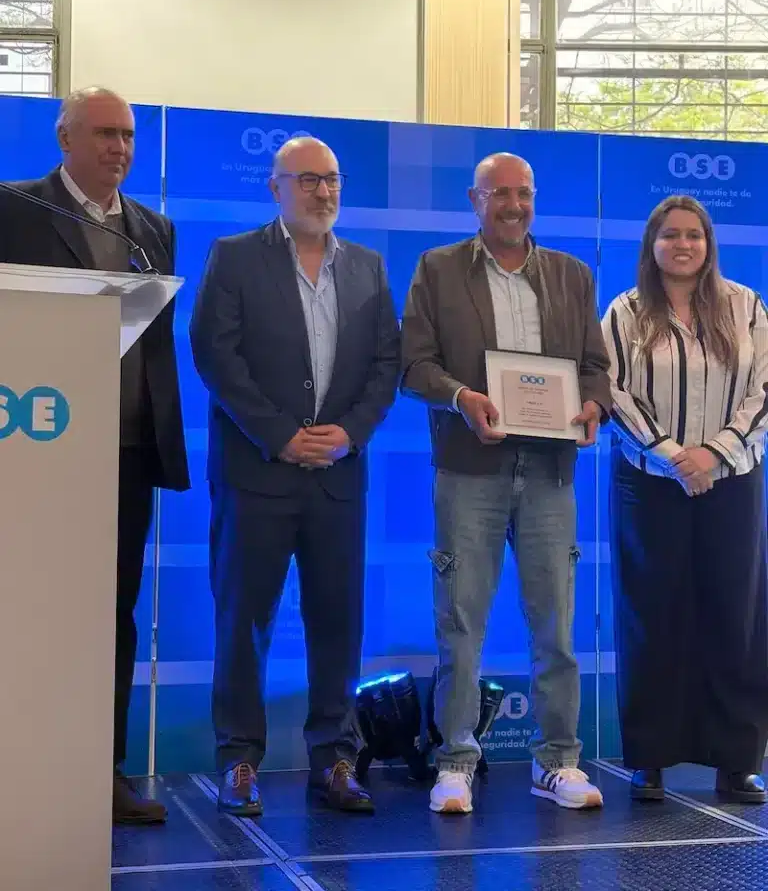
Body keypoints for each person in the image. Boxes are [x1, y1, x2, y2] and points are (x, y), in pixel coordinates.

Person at [189, 136, 400, 816]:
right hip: (257, 471)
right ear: (275, 187)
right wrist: (280, 435)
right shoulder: (234, 257)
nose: (323, 192)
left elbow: (385, 365)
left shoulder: (367, 267)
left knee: (337, 622)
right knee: (243, 621)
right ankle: (240, 761)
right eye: (307, 180)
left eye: (332, 179)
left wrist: (350, 433)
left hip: (339, 475)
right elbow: (215, 355)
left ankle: (336, 759)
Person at [0, 86, 189, 824]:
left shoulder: (154, 229)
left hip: (126, 452)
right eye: (105, 133)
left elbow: (155, 344)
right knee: (30, 611)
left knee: (111, 614)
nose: (119, 148)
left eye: (129, 136)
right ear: (65, 138)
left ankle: (98, 772)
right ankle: (23, 766)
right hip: (37, 448)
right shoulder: (17, 207)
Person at [401, 152, 610, 814]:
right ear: (475, 199)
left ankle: (558, 762)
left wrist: (593, 406)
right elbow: (413, 366)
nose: (513, 206)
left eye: (523, 193)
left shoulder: (573, 276)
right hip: (470, 468)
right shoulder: (437, 270)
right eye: (499, 195)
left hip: (550, 472)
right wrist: (464, 397)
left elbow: (597, 368)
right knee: (459, 621)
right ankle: (456, 761)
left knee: (557, 623)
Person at [602, 194, 768, 804]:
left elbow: (764, 389)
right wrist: (674, 455)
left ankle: (738, 761)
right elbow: (611, 390)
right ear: (652, 244)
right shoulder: (624, 312)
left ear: (709, 243)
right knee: (652, 614)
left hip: (733, 478)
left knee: (737, 616)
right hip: (649, 481)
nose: (683, 245)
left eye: (693, 235)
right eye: (670, 235)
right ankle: (650, 758)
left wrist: (714, 453)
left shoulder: (747, 306)